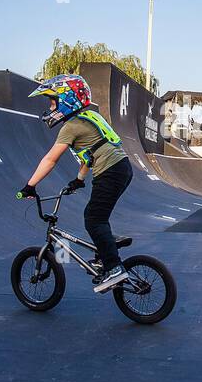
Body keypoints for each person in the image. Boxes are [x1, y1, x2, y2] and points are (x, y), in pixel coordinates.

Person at [17, 74, 133, 292]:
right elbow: (91, 153)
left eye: (53, 101)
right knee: (98, 215)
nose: (51, 107)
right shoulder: (91, 116)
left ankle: (114, 268)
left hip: (109, 171)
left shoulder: (70, 127)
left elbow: (50, 159)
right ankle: (106, 247)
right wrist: (79, 180)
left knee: (93, 219)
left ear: (67, 99)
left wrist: (29, 186)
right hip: (122, 168)